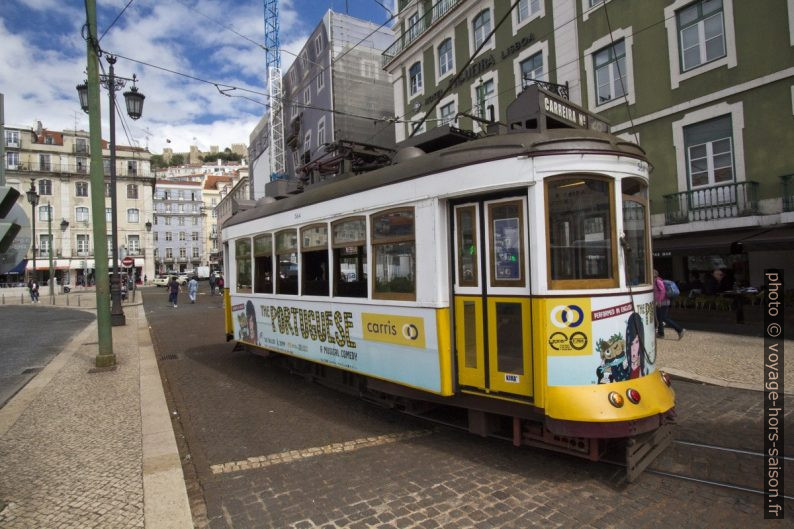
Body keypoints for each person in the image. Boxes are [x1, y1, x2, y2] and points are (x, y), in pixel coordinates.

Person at [654, 269, 684, 339]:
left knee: (664, 318)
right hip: (660, 302)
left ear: (654, 275)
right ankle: (661, 334)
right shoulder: (655, 281)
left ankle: (680, 329)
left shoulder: (658, 281)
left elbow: (662, 291)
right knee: (659, 318)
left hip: (663, 303)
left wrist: (659, 301)